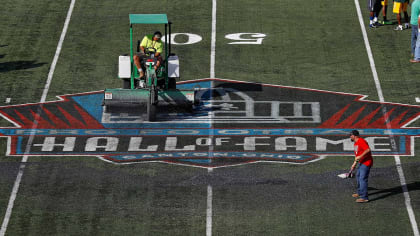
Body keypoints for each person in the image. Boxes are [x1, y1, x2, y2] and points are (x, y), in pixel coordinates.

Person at [350, 130, 373, 203]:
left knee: (362, 179)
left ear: (355, 135)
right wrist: (354, 164)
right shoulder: (356, 143)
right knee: (358, 176)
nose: (350, 136)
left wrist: (360, 156)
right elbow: (357, 156)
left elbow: (368, 150)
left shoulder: (361, 141)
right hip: (361, 162)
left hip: (366, 162)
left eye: (351, 135)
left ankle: (364, 197)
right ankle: (360, 192)